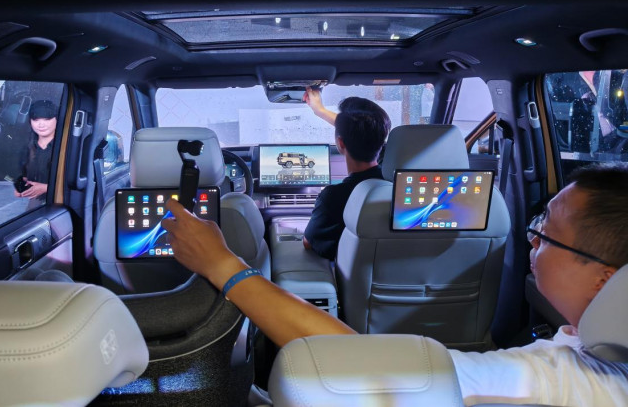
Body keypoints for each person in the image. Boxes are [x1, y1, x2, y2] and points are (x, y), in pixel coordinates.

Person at [162, 162, 628, 406]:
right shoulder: (585, 352)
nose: (531, 236)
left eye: (546, 231)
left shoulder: (562, 381)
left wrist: (221, 263)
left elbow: (365, 366)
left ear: (607, 280)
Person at [300, 88, 391, 260]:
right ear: (382, 140)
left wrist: (321, 110)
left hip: (348, 275)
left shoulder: (333, 196)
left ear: (340, 143)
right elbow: (368, 131)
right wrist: (320, 110)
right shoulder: (392, 182)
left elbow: (308, 242)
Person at [14, 99, 58, 201]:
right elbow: (23, 176)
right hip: (31, 204)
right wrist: (20, 188)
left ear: (57, 119)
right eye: (36, 120)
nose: (41, 125)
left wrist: (46, 188)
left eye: (46, 119)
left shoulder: (66, 148)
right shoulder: (27, 148)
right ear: (30, 121)